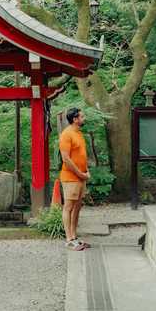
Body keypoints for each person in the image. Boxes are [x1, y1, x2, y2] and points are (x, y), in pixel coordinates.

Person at [59, 107, 90, 251]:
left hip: (81, 176)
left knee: (78, 206)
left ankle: (74, 236)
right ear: (75, 119)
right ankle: (69, 239)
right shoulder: (67, 134)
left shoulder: (79, 134)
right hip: (71, 177)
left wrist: (86, 171)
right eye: (82, 117)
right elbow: (66, 159)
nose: (84, 118)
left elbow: (81, 155)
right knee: (69, 206)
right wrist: (80, 173)